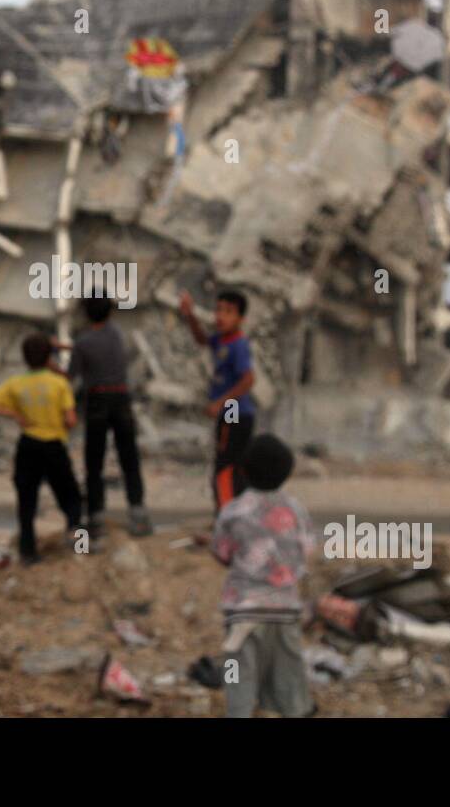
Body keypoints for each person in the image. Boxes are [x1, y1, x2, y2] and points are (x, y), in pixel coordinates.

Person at [210, 434, 316, 718]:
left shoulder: (232, 511)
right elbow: (306, 550)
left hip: (242, 611)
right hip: (285, 608)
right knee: (289, 676)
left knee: (238, 677)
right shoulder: (296, 510)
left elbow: (222, 553)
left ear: (243, 470)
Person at [0, 333, 84, 564]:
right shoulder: (60, 384)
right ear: (50, 357)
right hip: (54, 447)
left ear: (24, 358)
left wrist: (17, 415)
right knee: (70, 495)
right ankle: (77, 539)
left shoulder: (16, 383)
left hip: (28, 447)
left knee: (27, 499)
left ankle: (28, 552)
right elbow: (71, 420)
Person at [64, 296, 151, 538]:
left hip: (98, 402)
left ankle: (96, 517)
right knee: (129, 458)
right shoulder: (116, 334)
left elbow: (71, 375)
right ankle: (139, 514)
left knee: (95, 462)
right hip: (121, 399)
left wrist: (54, 362)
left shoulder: (83, 342)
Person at [178, 288, 256, 512]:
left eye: (229, 311)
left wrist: (220, 402)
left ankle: (225, 517)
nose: (221, 316)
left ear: (241, 318)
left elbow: (248, 379)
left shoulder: (238, 344)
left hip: (235, 411)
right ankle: (234, 515)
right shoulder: (223, 340)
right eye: (219, 310)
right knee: (232, 466)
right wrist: (190, 315)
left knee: (224, 468)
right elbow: (202, 340)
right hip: (232, 412)